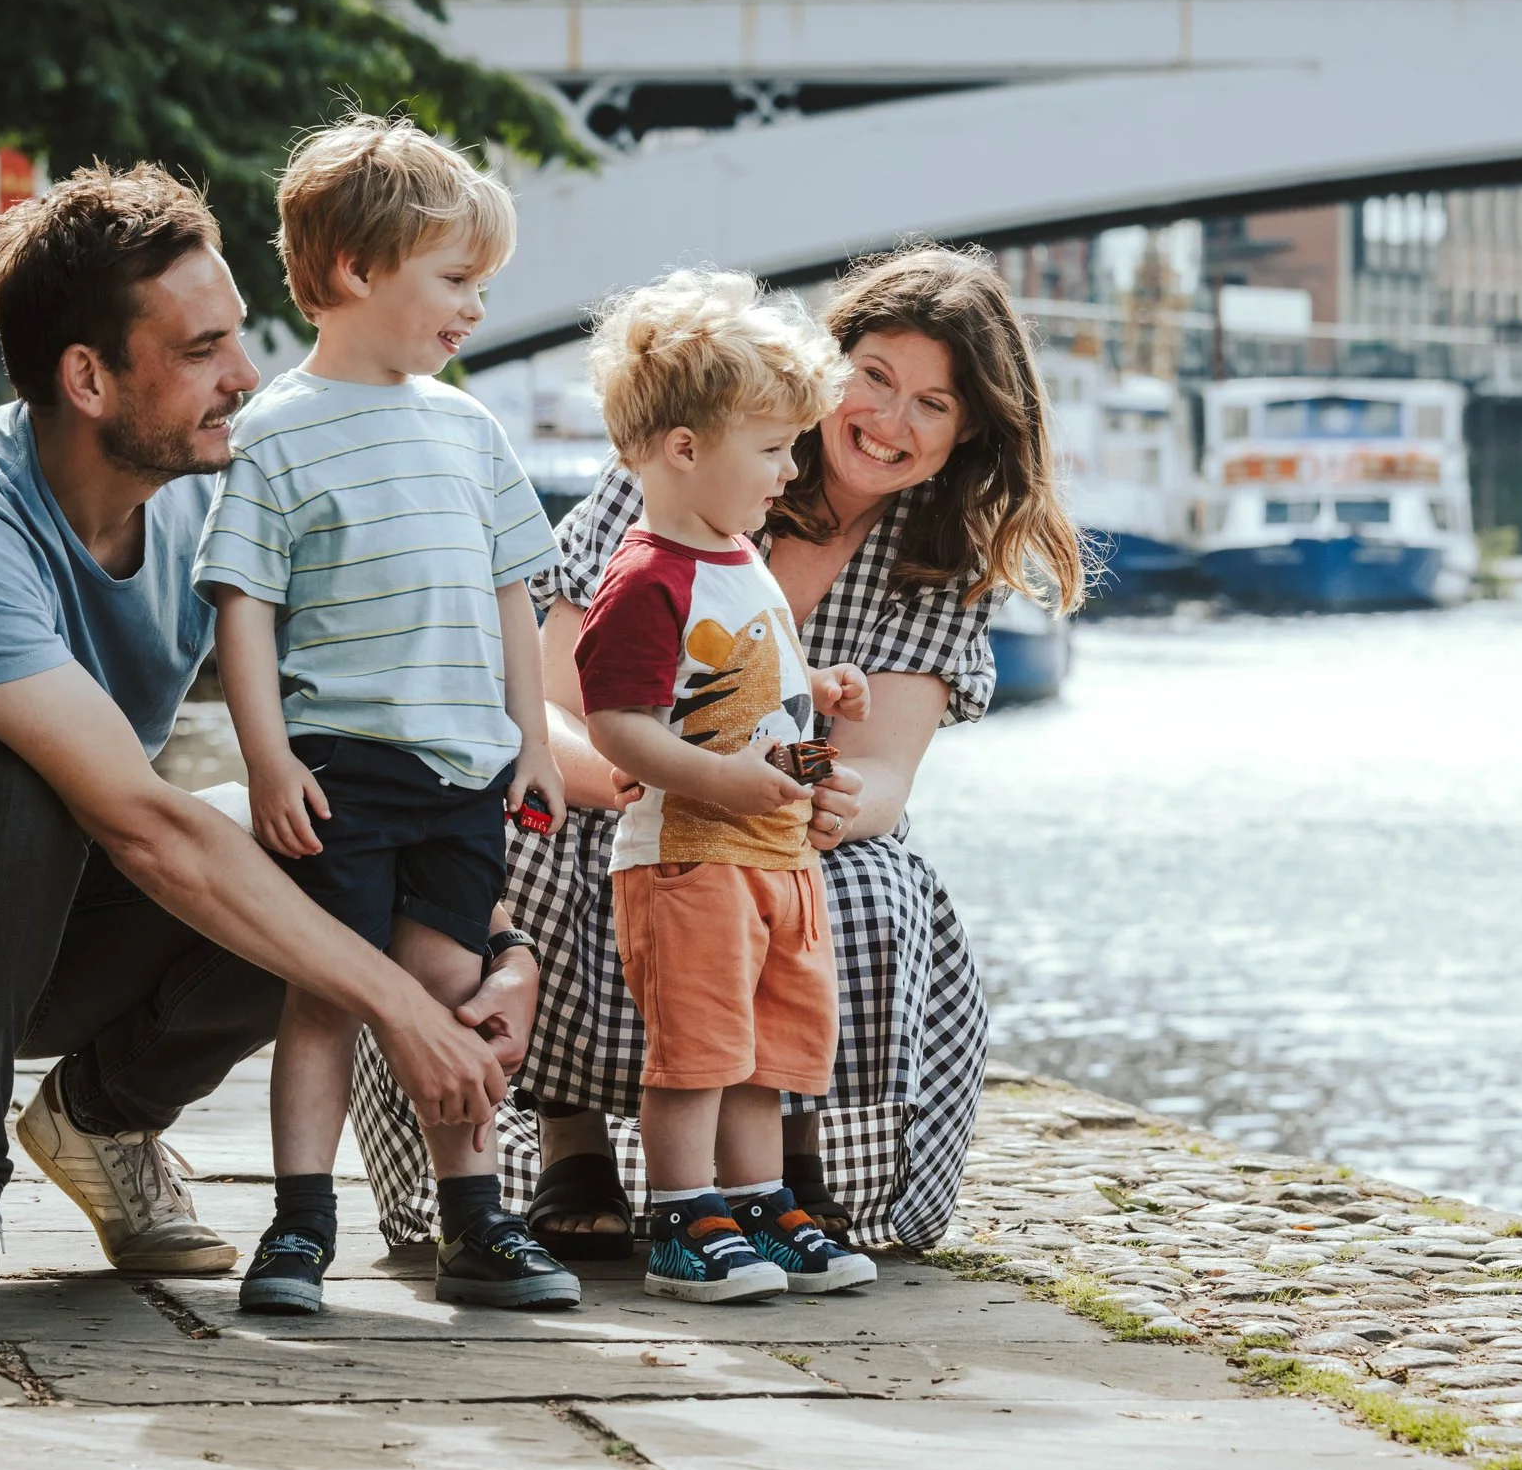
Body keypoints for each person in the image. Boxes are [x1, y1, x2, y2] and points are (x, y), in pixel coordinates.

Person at [0, 162, 527, 1310]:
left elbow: (389, 732)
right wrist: (405, 1012)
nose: (246, 376)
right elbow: (140, 824)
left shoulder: (214, 492)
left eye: (238, 339)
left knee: (306, 843)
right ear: (89, 377)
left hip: (57, 921)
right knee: (4, 777)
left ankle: (102, 1119)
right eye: (202, 350)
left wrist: (497, 941)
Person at [348, 245, 1085, 1258]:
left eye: (934, 403)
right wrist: (626, 770)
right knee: (542, 843)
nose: (890, 420)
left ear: (968, 431)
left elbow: (882, 770)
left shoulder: (939, 555)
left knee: (868, 885)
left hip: (775, 815)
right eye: (874, 378)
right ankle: (571, 1138)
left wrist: (835, 800)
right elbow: (553, 698)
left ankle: (784, 1152)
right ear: (827, 371)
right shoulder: (683, 463)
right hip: (617, 776)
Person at [198, 113, 576, 1316]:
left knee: (449, 984)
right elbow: (244, 610)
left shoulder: (470, 429)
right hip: (341, 764)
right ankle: (300, 1222)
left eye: (482, 284)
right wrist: (265, 758)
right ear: (356, 272)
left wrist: (531, 735)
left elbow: (516, 593)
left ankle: (475, 1219)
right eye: (456, 280)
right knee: (324, 993)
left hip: (467, 768)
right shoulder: (272, 435)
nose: (474, 308)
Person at [572, 270, 882, 1301]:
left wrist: (818, 685)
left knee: (768, 1046)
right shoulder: (646, 576)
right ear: (684, 449)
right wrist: (717, 779)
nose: (790, 469)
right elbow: (615, 723)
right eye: (771, 447)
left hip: (775, 852)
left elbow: (756, 685)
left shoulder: (738, 555)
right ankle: (679, 1214)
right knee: (698, 1046)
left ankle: (754, 1199)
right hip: (688, 853)